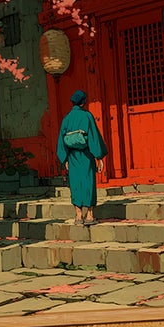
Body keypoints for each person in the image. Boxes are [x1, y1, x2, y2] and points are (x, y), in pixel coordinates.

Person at [55, 89, 105, 225]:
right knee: (88, 182)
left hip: (72, 156)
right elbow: (93, 137)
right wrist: (99, 156)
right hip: (86, 155)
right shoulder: (87, 116)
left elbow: (61, 140)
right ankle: (89, 215)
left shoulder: (66, 118)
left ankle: (78, 215)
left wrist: (65, 158)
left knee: (75, 183)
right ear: (84, 102)